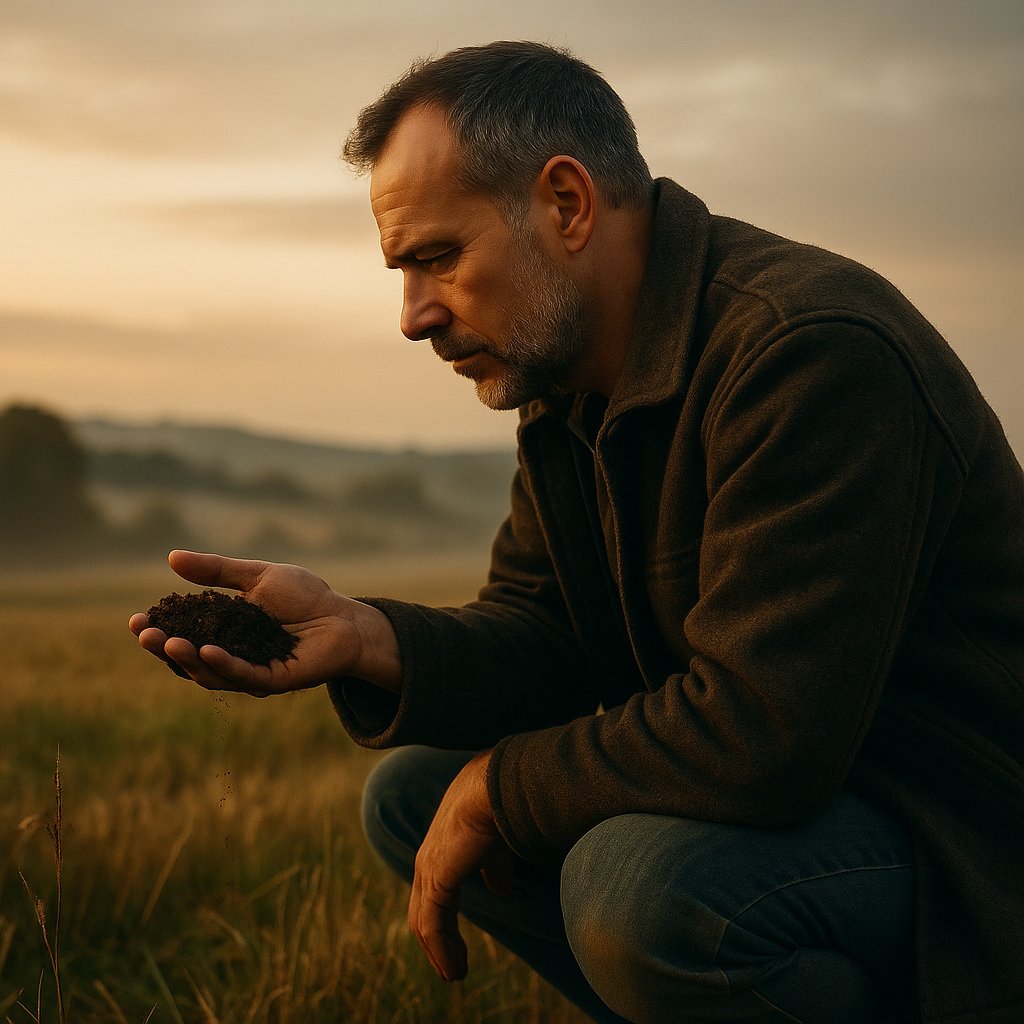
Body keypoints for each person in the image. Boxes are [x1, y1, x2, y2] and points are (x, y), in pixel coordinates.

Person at [130, 41, 1024, 1024]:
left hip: (960, 837)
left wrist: (499, 789)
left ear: (565, 203)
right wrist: (366, 635)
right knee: (411, 798)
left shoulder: (807, 351)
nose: (413, 316)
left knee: (639, 889)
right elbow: (550, 639)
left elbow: (764, 733)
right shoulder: (569, 389)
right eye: (402, 270)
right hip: (822, 808)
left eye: (438, 257)